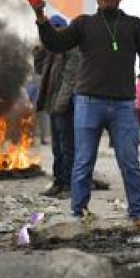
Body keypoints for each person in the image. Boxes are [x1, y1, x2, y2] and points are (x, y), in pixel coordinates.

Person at [33, 0, 140, 231]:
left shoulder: (135, 25)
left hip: (124, 104)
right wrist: (41, 19)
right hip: (88, 101)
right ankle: (78, 214)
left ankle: (139, 214)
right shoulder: (83, 23)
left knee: (129, 161)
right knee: (83, 161)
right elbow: (55, 43)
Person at [34, 15, 82, 198]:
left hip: (65, 106)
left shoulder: (72, 49)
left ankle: (69, 185)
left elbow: (71, 78)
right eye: (51, 27)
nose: (53, 30)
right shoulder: (52, 51)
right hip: (52, 105)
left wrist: (61, 104)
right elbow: (39, 71)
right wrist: (39, 52)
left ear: (64, 28)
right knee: (57, 148)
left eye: (57, 27)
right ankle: (58, 182)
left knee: (67, 147)